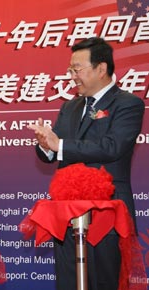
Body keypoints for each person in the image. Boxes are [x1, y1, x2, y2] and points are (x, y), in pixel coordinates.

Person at [28, 37, 144, 290]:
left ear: (101, 69)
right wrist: (46, 145)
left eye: (77, 69)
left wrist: (60, 145)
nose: (72, 75)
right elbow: (55, 149)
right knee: (69, 280)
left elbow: (113, 147)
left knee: (104, 280)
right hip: (66, 212)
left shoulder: (128, 104)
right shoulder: (70, 106)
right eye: (71, 70)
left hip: (107, 210)